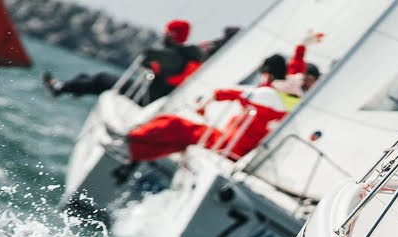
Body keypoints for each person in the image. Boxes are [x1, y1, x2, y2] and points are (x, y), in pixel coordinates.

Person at [123, 53, 300, 164]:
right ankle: (136, 152)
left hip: (227, 146)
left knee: (174, 124)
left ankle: (129, 144)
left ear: (266, 73)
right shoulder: (294, 102)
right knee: (184, 137)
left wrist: (207, 102)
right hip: (240, 150)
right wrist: (301, 50)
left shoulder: (265, 95)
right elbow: (295, 74)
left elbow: (230, 93)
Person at [42, 19, 205, 104]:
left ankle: (61, 87)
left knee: (101, 79)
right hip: (149, 94)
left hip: (145, 98)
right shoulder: (186, 56)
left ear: (172, 34)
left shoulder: (172, 55)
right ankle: (65, 87)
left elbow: (148, 59)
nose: (164, 35)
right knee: (90, 78)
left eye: (167, 32)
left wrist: (150, 62)